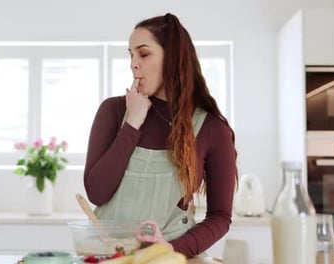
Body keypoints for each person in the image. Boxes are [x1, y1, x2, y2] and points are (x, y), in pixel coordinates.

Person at [83, 13, 237, 258]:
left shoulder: (212, 128)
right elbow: (96, 192)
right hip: (107, 256)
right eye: (131, 54)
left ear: (173, 58)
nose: (134, 63)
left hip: (168, 259)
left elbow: (220, 216)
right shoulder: (113, 111)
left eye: (143, 53)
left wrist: (170, 249)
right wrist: (132, 124)